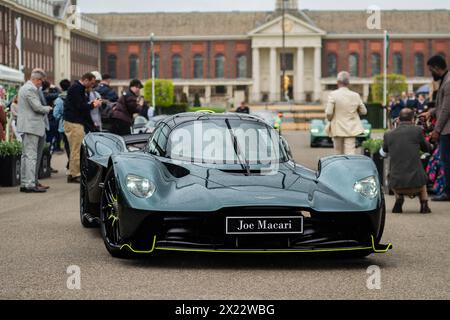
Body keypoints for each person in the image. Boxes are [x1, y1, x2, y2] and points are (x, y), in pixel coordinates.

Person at [381, 108, 432, 214]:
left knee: (392, 174)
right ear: (413, 119)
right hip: (417, 184)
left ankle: (398, 199)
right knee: (422, 178)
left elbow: (383, 152)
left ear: (398, 119)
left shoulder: (388, 134)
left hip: (397, 184)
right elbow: (427, 148)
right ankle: (424, 204)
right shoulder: (417, 131)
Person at [16, 69, 52, 193]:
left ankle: (26, 182)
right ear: (37, 79)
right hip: (32, 126)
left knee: (26, 156)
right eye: (41, 82)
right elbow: (37, 107)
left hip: (30, 126)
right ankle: (30, 184)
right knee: (31, 156)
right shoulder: (30, 89)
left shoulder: (24, 88)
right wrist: (48, 108)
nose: (41, 84)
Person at [64, 73, 102, 183]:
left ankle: (72, 173)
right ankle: (75, 174)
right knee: (76, 150)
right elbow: (80, 107)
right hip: (74, 123)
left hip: (74, 122)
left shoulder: (77, 88)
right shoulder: (77, 89)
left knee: (74, 149)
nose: (92, 85)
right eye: (92, 82)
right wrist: (93, 105)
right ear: (85, 80)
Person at [424, 55, 450, 201]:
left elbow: (446, 110)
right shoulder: (445, 81)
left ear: (436, 67)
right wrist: (430, 112)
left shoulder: (448, 82)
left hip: (447, 130)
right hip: (446, 129)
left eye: (430, 70)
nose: (431, 73)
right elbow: (441, 106)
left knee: (447, 162)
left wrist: (436, 130)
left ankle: (448, 192)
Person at [325, 71, 367, 155]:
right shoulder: (355, 95)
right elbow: (364, 111)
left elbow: (329, 112)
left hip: (337, 127)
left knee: (338, 153)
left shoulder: (333, 95)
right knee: (350, 153)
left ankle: (340, 168)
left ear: (338, 82)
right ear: (348, 83)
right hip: (351, 128)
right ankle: (350, 167)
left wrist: (330, 119)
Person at [53, 79, 72, 172]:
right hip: (76, 124)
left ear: (61, 87)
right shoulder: (74, 96)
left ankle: (71, 163)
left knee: (68, 146)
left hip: (63, 126)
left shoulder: (59, 99)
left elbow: (55, 114)